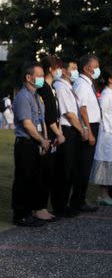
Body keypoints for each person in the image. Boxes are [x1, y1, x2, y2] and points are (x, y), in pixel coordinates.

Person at [11, 64, 50, 227]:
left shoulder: (36, 96)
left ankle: (30, 212)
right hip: (26, 143)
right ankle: (20, 214)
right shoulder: (23, 96)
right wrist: (41, 140)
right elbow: (27, 124)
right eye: (39, 75)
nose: (42, 78)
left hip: (37, 142)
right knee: (23, 179)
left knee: (34, 179)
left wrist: (44, 140)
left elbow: (40, 120)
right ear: (29, 77)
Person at [35, 55, 66, 221]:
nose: (60, 70)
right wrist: (58, 133)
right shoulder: (45, 89)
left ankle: (43, 206)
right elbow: (48, 117)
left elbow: (56, 115)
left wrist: (59, 131)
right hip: (48, 135)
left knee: (49, 172)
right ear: (51, 69)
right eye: (58, 67)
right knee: (44, 172)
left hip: (54, 134)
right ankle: (39, 207)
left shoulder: (51, 88)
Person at [52, 58, 83, 217]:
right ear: (64, 70)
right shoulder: (60, 87)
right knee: (64, 169)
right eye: (73, 68)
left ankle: (65, 203)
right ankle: (60, 205)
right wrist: (83, 130)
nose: (75, 71)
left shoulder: (69, 87)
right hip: (67, 130)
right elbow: (69, 115)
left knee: (71, 169)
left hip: (73, 130)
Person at [72, 54, 102, 213]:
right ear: (86, 68)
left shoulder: (88, 84)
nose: (98, 69)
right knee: (83, 167)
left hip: (93, 125)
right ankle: (77, 200)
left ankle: (80, 198)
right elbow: (82, 109)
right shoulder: (82, 85)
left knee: (86, 166)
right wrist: (89, 132)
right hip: (87, 127)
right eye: (95, 66)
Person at [90, 68, 112, 205]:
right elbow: (102, 114)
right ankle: (103, 195)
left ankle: (106, 194)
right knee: (105, 164)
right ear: (110, 79)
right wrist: (109, 130)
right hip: (108, 135)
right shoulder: (106, 94)